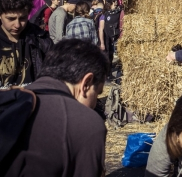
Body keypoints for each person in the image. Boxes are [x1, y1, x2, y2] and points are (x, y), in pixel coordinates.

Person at [1, 39, 109, 176]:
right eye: (97, 93)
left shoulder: (10, 99)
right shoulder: (87, 124)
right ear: (86, 84)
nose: (95, 103)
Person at [0, 0, 52, 88]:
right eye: (11, 19)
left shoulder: (41, 38)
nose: (17, 25)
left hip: (33, 101)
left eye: (23, 18)